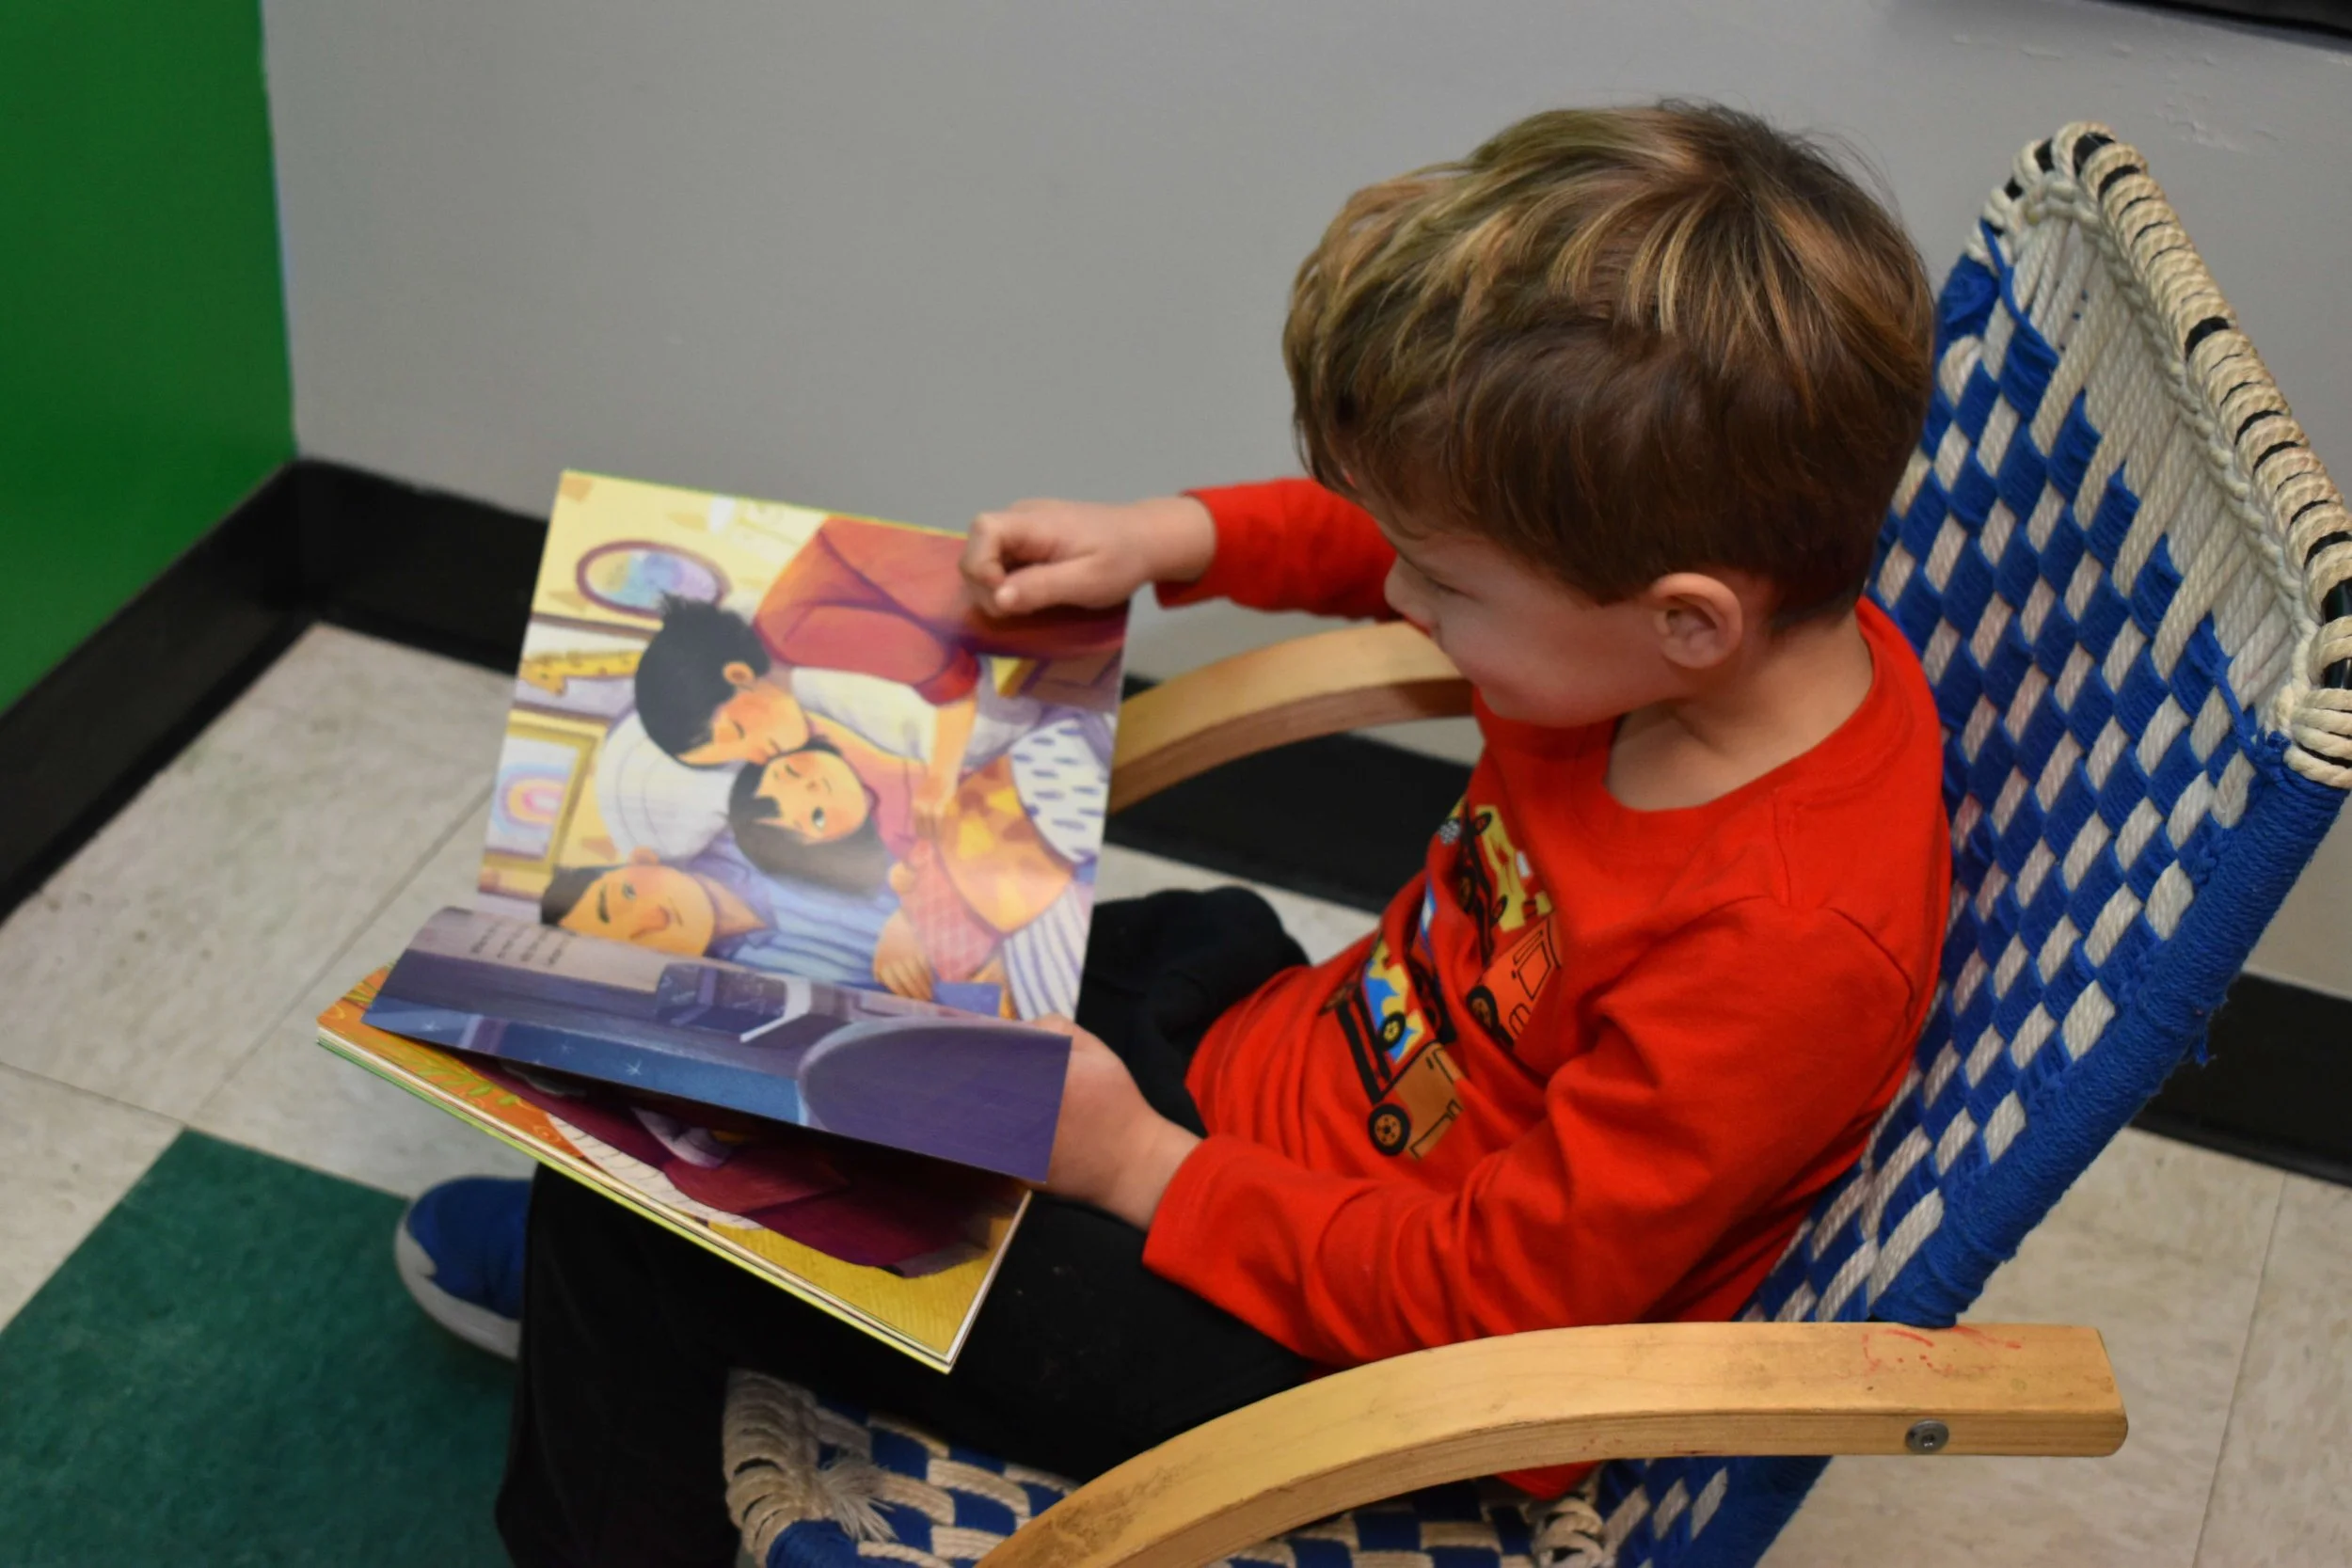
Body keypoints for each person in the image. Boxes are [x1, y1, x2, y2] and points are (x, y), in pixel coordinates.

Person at [400, 102, 1951, 1567]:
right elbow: (1444, 524)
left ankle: (617, 1306)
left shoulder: (1786, 942)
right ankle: (617, 1245)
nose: (1403, 597)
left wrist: (1141, 1166)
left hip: (1356, 1364)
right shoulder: (1698, 600)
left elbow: (1501, 1309)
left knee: (665, 1222)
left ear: (1686, 622)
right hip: (1279, 1068)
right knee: (872, 962)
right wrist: (1177, 538)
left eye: (1443, 588)